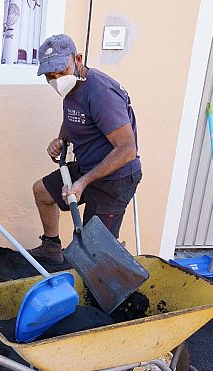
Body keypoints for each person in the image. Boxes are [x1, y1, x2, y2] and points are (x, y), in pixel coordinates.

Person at [29, 34, 142, 267]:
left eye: (61, 71)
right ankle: (51, 247)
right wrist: (61, 140)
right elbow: (74, 118)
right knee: (42, 192)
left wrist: (82, 183)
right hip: (88, 166)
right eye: (50, 75)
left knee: (94, 252)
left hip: (115, 178)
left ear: (78, 59)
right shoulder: (72, 87)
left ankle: (109, 292)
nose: (56, 79)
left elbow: (127, 149)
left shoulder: (100, 92)